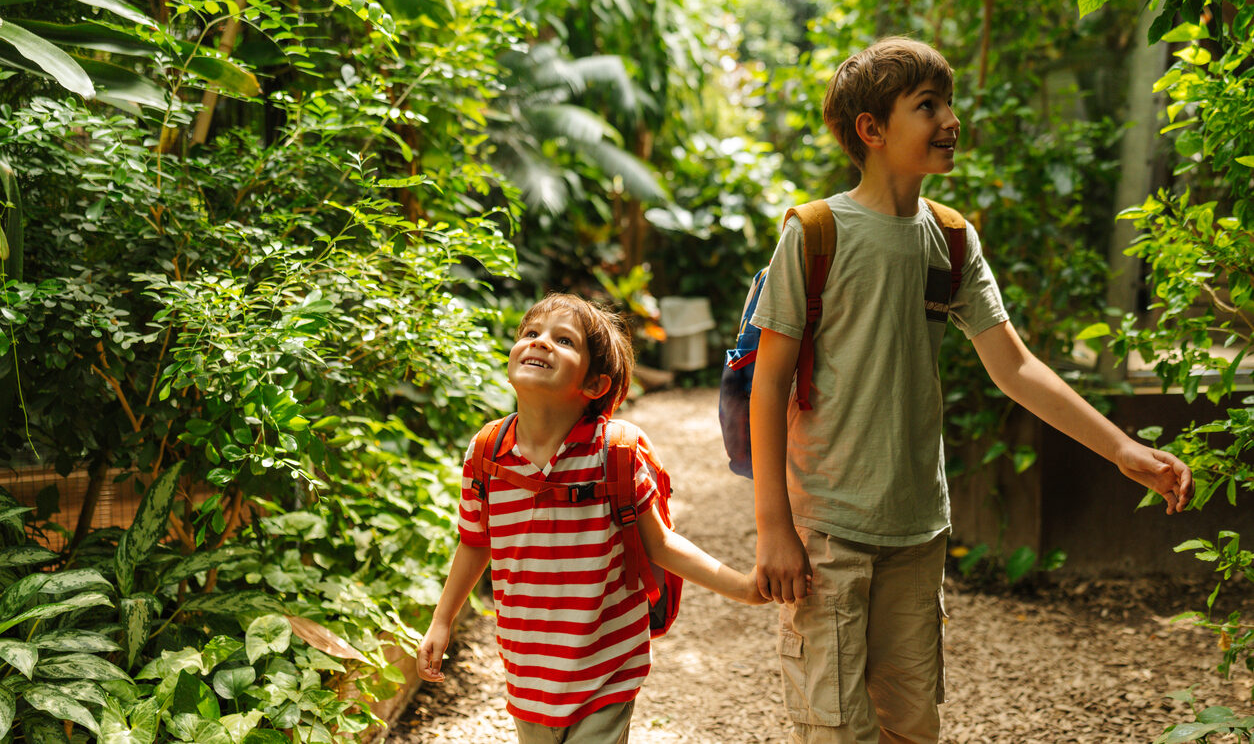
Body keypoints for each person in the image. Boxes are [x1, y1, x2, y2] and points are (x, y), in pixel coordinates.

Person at [748, 36, 1194, 744]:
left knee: (910, 726)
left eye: (948, 102)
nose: (951, 119)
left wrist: (1122, 450)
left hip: (918, 530)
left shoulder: (951, 240)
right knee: (832, 728)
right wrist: (774, 527)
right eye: (928, 106)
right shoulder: (815, 234)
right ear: (872, 129)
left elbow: (1014, 367)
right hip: (828, 527)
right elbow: (768, 384)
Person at [419, 292, 767, 744]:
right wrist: (442, 621)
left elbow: (660, 544)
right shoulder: (486, 453)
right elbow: (475, 542)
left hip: (607, 664)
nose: (540, 343)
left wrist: (743, 587)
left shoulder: (615, 454)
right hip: (527, 670)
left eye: (563, 340)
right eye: (531, 333)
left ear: (595, 385)